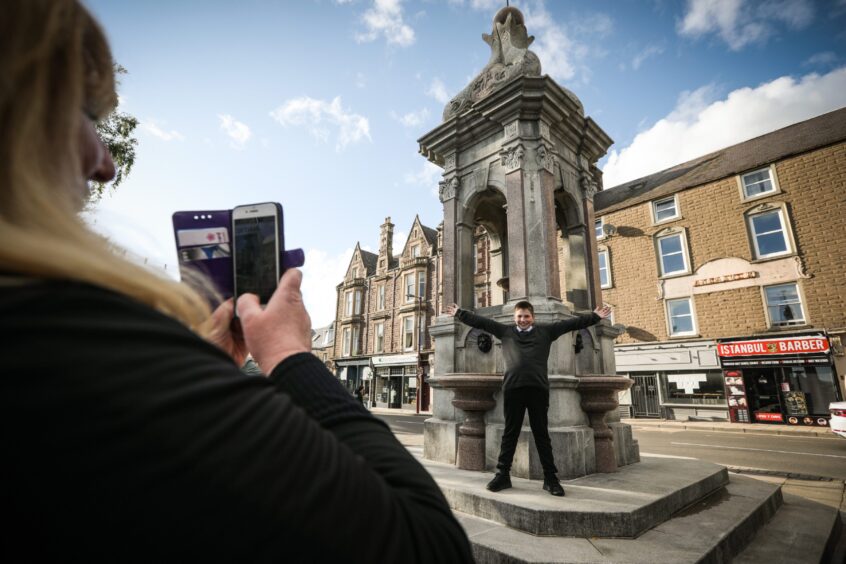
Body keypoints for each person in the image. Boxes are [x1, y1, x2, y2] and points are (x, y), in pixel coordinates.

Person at [0, 1, 473, 561]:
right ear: (26, 111)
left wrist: (205, 374)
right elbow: (430, 546)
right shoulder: (77, 341)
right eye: (88, 115)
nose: (106, 163)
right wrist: (291, 356)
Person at [446, 300, 611, 497]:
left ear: (533, 317)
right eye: (519, 317)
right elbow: (481, 322)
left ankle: (550, 479)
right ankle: (502, 475)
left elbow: (571, 325)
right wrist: (459, 313)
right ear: (514, 318)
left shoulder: (546, 332)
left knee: (541, 434)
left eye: (526, 316)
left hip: (538, 390)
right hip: (513, 390)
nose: (523, 320)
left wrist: (595, 317)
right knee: (510, 434)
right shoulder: (506, 332)